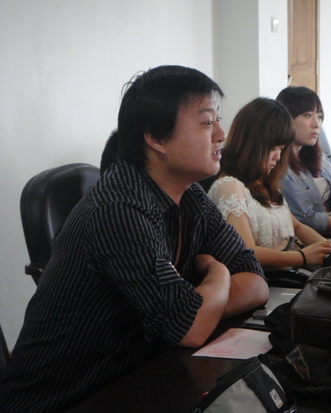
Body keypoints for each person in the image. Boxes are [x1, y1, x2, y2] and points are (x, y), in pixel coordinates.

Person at [0, 66, 268, 413]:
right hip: (63, 400)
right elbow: (190, 328)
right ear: (156, 138)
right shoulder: (117, 209)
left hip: (138, 377)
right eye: (206, 122)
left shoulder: (191, 197)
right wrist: (217, 274)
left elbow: (256, 281)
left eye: (218, 119)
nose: (221, 134)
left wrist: (202, 304)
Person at [208, 97, 331, 270]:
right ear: (251, 145)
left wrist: (327, 248)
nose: (278, 157)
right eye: (273, 148)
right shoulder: (229, 187)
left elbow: (297, 226)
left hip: (292, 269)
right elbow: (246, 252)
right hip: (269, 278)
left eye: (281, 149)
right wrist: (302, 257)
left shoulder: (264, 182)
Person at [275, 86, 331, 233]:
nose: (316, 124)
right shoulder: (278, 167)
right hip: (322, 237)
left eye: (319, 116)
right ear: (287, 118)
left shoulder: (320, 157)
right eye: (307, 115)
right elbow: (308, 219)